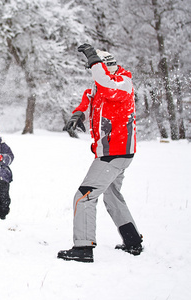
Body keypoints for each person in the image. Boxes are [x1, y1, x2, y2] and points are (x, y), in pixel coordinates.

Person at [58, 43, 143, 263]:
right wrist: (77, 116)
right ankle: (133, 242)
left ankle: (83, 248)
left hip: (114, 153)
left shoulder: (123, 83)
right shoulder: (100, 87)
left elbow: (105, 84)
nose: (92, 72)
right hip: (113, 152)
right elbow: (88, 101)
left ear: (106, 67)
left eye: (94, 67)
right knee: (112, 196)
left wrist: (93, 58)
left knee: (83, 197)